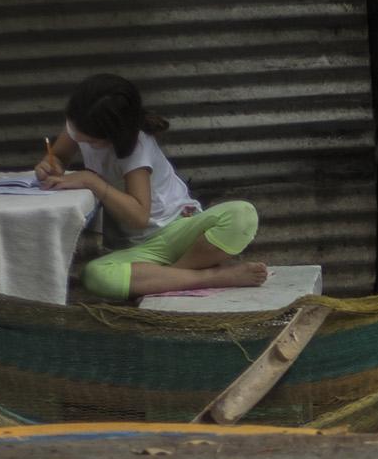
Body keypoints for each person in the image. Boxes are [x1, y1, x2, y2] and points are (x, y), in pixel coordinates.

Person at [35, 73, 268, 299]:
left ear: (114, 134)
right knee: (95, 275)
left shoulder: (136, 146)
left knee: (242, 214)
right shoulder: (82, 122)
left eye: (91, 140)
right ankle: (208, 276)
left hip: (179, 232)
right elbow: (59, 156)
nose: (80, 138)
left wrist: (93, 182)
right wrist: (50, 163)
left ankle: (171, 277)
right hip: (141, 250)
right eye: (76, 132)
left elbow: (139, 217)